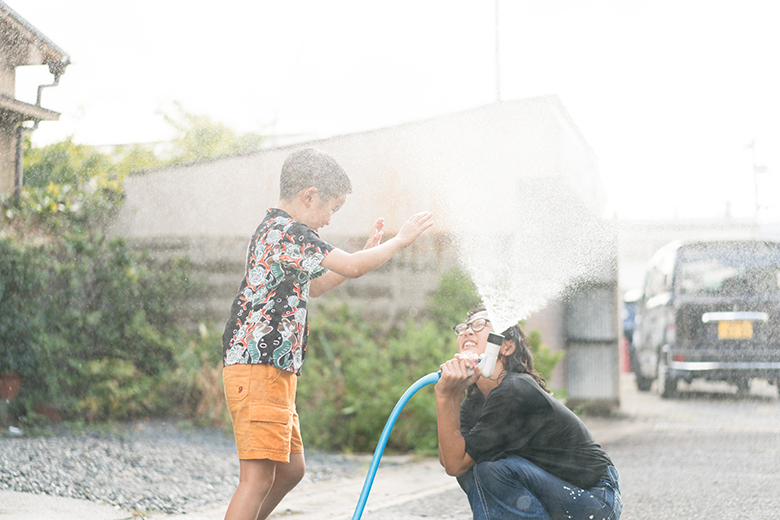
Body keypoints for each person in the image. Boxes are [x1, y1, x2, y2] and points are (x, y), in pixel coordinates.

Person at [221, 148, 434, 520]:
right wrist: (398, 242)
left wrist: (368, 253)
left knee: (291, 470)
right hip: (259, 370)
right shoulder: (288, 231)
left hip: (273, 372)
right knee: (256, 479)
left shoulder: (278, 232)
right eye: (332, 208)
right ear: (309, 196)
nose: (330, 220)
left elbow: (316, 286)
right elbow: (350, 266)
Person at [436, 307, 622, 520]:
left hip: (595, 498)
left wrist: (444, 395)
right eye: (464, 327)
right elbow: (450, 459)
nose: (468, 331)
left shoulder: (515, 390)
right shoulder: (475, 400)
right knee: (472, 469)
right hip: (555, 492)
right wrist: (452, 394)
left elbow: (454, 463)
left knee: (491, 470)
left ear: (506, 346)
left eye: (480, 325)